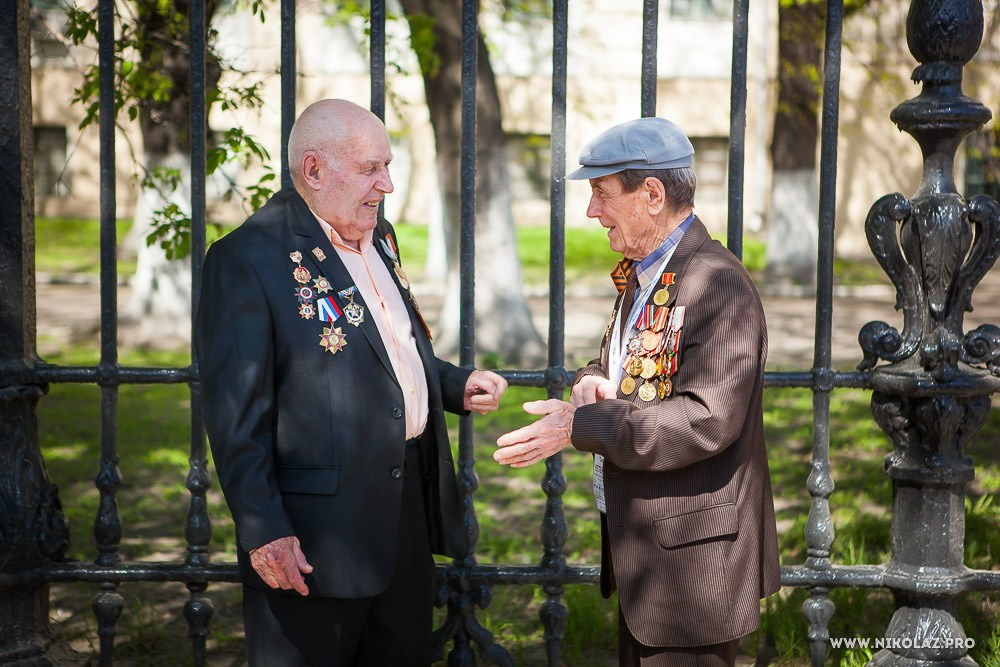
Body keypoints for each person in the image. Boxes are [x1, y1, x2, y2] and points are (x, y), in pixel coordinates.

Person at [196, 98, 508, 666]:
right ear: (313, 169)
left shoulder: (378, 234)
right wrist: (265, 531)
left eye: (387, 167)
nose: (386, 184)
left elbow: (386, 352)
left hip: (400, 512)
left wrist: (452, 385)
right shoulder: (247, 258)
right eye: (370, 169)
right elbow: (235, 415)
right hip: (314, 540)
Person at [494, 117, 780, 666]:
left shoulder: (715, 281)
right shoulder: (648, 272)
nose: (591, 210)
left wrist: (578, 427)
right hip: (649, 557)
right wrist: (588, 386)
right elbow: (619, 365)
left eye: (602, 193)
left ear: (652, 194)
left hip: (693, 569)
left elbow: (707, 418)